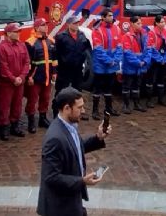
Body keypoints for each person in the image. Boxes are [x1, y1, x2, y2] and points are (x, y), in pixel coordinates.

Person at [36, 87, 110, 216]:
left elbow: (76, 148)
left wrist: (98, 138)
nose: (83, 110)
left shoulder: (69, 126)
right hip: (59, 207)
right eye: (79, 107)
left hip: (70, 201)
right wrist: (82, 181)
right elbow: (51, 177)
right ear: (66, 108)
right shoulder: (55, 138)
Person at [0, 23, 31, 139]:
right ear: (9, 33)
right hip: (6, 84)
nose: (18, 34)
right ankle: (3, 128)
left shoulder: (21, 45)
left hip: (19, 82)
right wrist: (13, 78)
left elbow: (26, 62)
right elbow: (3, 66)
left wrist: (21, 76)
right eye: (16, 32)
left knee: (17, 105)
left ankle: (15, 126)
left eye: (18, 31)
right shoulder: (2, 47)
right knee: (4, 106)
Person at [53, 15, 91, 118]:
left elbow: (85, 50)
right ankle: (56, 112)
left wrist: (82, 61)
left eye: (78, 23)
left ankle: (77, 111)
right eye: (74, 23)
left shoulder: (82, 35)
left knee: (77, 91)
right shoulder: (61, 36)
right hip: (64, 69)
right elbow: (56, 53)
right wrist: (56, 69)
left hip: (77, 69)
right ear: (68, 24)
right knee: (61, 91)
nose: (77, 25)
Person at [26, 19, 58, 132]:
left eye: (46, 25)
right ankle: (31, 121)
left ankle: (42, 119)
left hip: (47, 77)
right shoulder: (30, 42)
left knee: (45, 98)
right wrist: (29, 76)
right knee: (32, 99)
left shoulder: (51, 40)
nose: (46, 27)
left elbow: (54, 59)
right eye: (43, 25)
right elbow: (28, 62)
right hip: (35, 77)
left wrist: (54, 72)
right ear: (37, 27)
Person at [90, 9, 122, 119]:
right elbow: (98, 49)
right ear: (103, 17)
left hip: (111, 65)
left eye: (112, 15)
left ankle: (108, 108)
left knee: (109, 87)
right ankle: (95, 111)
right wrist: (110, 61)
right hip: (101, 65)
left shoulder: (117, 29)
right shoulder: (97, 30)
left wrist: (115, 60)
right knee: (98, 88)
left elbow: (119, 46)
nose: (111, 17)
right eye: (109, 15)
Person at [120, 16, 148, 113]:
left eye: (141, 23)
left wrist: (145, 61)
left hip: (139, 66)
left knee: (137, 86)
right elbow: (128, 53)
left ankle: (136, 104)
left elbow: (147, 50)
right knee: (127, 86)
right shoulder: (127, 36)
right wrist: (138, 62)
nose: (140, 25)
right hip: (130, 66)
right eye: (138, 23)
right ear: (132, 24)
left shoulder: (143, 35)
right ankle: (126, 105)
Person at [145, 15, 166, 107]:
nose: (163, 23)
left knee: (161, 80)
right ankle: (149, 100)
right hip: (154, 62)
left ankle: (161, 99)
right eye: (161, 22)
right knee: (151, 80)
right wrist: (160, 59)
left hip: (164, 61)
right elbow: (151, 49)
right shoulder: (151, 33)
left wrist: (165, 59)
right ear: (156, 23)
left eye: (164, 22)